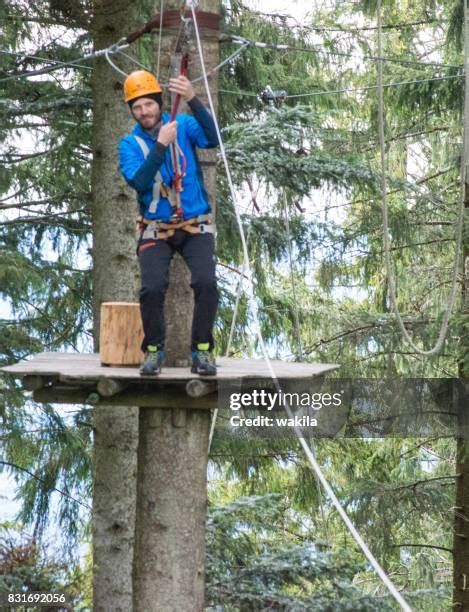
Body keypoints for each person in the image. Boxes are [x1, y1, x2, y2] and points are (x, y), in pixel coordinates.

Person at [118, 70, 219, 376]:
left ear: (159, 103)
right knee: (151, 288)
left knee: (206, 283)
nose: (143, 112)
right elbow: (140, 181)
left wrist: (191, 98)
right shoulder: (129, 144)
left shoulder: (184, 125)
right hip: (155, 229)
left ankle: (202, 351)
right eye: (137, 107)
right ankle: (153, 350)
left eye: (148, 104)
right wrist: (161, 145)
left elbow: (213, 139)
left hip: (194, 225)